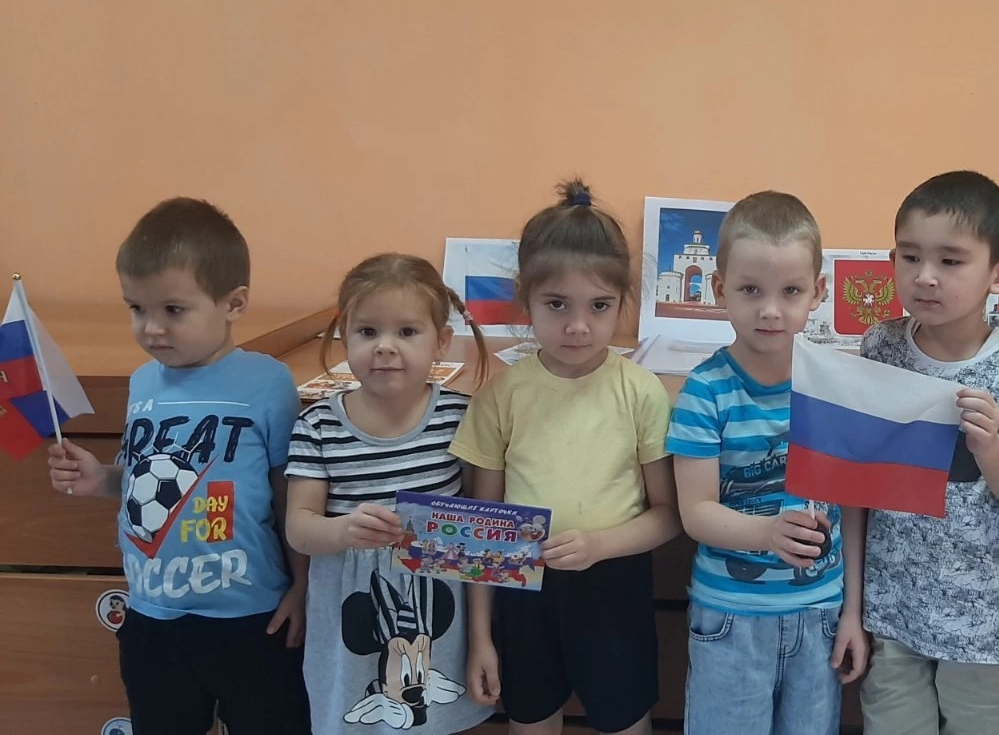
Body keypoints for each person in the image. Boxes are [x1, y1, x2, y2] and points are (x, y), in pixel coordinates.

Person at [46, 197, 311, 734]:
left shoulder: (268, 381)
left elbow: (289, 491)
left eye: (173, 310)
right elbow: (145, 481)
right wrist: (102, 479)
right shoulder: (143, 382)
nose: (151, 329)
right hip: (153, 616)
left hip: (250, 615)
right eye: (136, 308)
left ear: (233, 304)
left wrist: (302, 587)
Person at [452, 179, 680, 735]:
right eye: (557, 304)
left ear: (622, 302)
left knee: (624, 720)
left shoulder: (641, 391)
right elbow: (483, 530)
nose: (578, 326)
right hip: (523, 593)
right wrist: (481, 638)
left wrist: (600, 545)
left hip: (614, 587)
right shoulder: (501, 396)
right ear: (525, 299)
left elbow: (669, 515)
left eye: (599, 306)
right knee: (531, 718)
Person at [855, 170, 999, 734]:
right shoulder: (879, 347)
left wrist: (989, 447)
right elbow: (860, 476)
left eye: (950, 261)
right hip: (893, 604)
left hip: (987, 618)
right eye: (910, 257)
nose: (925, 276)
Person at [668, 191, 869, 734]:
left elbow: (853, 504)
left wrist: (852, 611)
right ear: (720, 290)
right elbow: (696, 512)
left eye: (791, 291)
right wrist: (768, 533)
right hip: (731, 618)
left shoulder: (834, 387)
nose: (771, 310)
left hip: (822, 613)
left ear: (818, 293)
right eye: (751, 290)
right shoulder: (705, 391)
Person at [284, 253, 495, 733]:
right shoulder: (318, 425)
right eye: (367, 331)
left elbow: (480, 537)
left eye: (406, 332)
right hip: (350, 619)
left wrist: (482, 639)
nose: (384, 347)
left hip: (437, 617)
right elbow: (299, 526)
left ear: (441, 342)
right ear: (344, 337)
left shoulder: (461, 418)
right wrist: (342, 531)